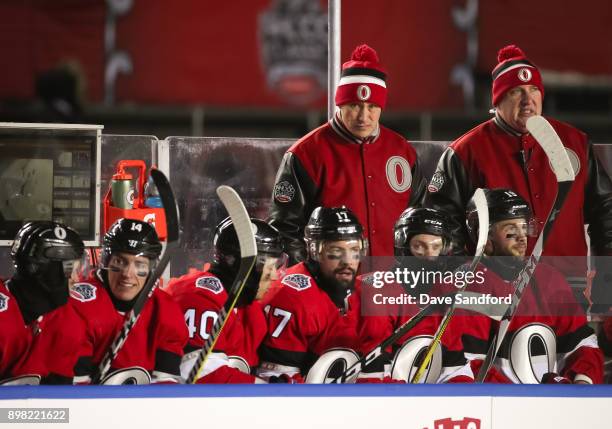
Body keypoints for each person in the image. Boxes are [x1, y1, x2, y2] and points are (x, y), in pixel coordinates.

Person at [425, 44, 612, 310]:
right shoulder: (466, 152)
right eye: (516, 92)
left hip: (569, 290)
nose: (528, 100)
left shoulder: (575, 143)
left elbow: (606, 211)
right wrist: (470, 285)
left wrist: (606, 277)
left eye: (534, 90)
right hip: (496, 295)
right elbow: (442, 228)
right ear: (497, 101)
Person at [269, 44, 426, 263]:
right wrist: (312, 279)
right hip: (330, 289)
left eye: (372, 106)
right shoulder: (305, 154)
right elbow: (285, 230)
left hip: (391, 286)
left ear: (382, 107)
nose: (363, 116)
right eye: (354, 105)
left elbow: (419, 222)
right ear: (339, 104)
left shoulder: (403, 151)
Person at [456, 189, 603, 384]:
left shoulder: (548, 279)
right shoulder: (466, 283)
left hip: (550, 405)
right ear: (484, 237)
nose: (522, 237)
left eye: (524, 228)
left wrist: (582, 381)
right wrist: (524, 399)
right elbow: (467, 365)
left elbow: (581, 344)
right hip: (495, 408)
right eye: (511, 231)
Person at [357, 208, 473, 383]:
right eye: (419, 246)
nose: (429, 256)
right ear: (402, 246)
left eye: (436, 247)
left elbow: (455, 368)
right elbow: (373, 372)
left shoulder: (447, 294)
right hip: (385, 398)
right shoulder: (375, 289)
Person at [167, 218, 287, 383]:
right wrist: (266, 389)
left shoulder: (247, 306)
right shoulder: (199, 297)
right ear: (243, 264)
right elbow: (200, 375)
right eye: (269, 266)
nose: (274, 276)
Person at [71, 218, 188, 384]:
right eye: (120, 261)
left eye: (139, 265)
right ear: (106, 261)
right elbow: (72, 391)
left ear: (151, 269)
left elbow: (165, 386)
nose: (127, 273)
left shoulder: (164, 309)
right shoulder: (81, 305)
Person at [257, 206, 366, 381]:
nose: (348, 262)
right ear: (315, 250)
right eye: (336, 251)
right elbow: (277, 383)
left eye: (354, 250)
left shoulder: (363, 291)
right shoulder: (290, 296)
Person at [1, 221, 88, 383]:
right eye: (70, 269)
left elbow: (58, 399)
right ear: (45, 269)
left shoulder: (69, 322)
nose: (76, 279)